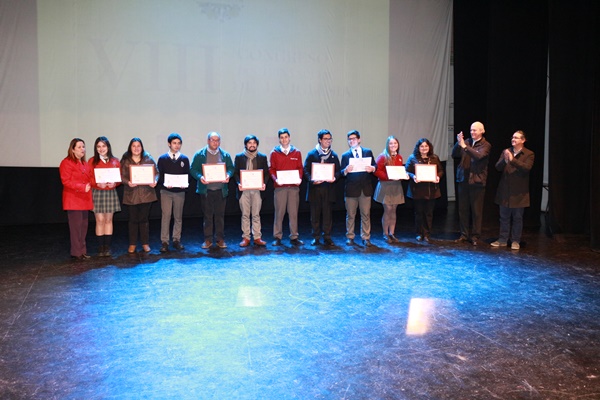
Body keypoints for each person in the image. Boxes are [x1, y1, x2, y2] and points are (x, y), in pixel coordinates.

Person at [491, 130, 535, 250]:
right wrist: (505, 160)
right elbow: (497, 167)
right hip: (505, 191)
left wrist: (512, 160)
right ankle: (502, 239)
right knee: (504, 217)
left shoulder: (529, 154)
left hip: (519, 193)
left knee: (517, 218)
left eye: (516, 138)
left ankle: (515, 240)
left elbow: (526, 168)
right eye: (512, 137)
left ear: (523, 140)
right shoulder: (506, 151)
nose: (513, 139)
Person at [190, 131, 234, 249]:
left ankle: (220, 239)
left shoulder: (225, 155)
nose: (215, 142)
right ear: (208, 141)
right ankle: (208, 239)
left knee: (220, 216)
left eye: (217, 140)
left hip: (221, 190)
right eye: (213, 140)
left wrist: (228, 175)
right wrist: (200, 177)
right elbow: (193, 169)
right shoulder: (200, 154)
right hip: (206, 191)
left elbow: (231, 168)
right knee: (207, 216)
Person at [452, 121, 492, 246]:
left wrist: (464, 146)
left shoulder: (486, 145)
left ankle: (475, 236)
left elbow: (478, 156)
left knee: (476, 211)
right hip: (463, 180)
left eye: (475, 130)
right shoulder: (467, 142)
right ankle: (463, 235)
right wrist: (458, 143)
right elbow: (454, 154)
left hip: (477, 182)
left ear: (482, 131)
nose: (472, 132)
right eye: (471, 130)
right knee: (463, 210)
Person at [120, 138, 158, 253]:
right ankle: (132, 244)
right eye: (134, 146)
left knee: (144, 220)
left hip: (146, 194)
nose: (136, 148)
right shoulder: (125, 160)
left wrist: (155, 180)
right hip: (131, 194)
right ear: (130, 147)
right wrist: (128, 182)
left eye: (138, 146)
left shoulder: (148, 158)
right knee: (132, 220)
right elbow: (121, 176)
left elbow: (157, 173)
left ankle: (145, 243)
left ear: (142, 147)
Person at [303, 129, 341, 246]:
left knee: (327, 215)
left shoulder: (334, 155)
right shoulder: (312, 154)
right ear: (320, 140)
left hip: (328, 189)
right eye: (326, 139)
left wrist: (334, 178)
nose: (328, 141)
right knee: (315, 215)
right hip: (315, 189)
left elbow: (338, 171)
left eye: (330, 139)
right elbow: (305, 170)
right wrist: (312, 180)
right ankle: (316, 237)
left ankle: (327, 236)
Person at [340, 130, 377, 247]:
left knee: (365, 214)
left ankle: (366, 237)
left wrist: (372, 169)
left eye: (354, 138)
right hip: (351, 190)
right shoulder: (345, 155)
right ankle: (350, 237)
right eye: (349, 139)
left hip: (365, 189)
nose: (352, 141)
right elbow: (341, 172)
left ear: (359, 139)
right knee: (350, 215)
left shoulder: (367, 152)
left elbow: (374, 165)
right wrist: (345, 170)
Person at [269, 128, 304, 246]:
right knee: (279, 213)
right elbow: (272, 169)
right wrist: (276, 179)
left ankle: (294, 236)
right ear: (279, 139)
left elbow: (300, 168)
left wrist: (299, 178)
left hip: (293, 188)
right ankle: (277, 237)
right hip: (280, 188)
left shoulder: (297, 152)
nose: (284, 139)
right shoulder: (274, 153)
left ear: (289, 138)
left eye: (286, 137)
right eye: (282, 137)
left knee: (293, 213)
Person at [59, 138, 93, 260]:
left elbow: (90, 178)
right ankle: (76, 252)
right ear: (72, 149)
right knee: (75, 227)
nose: (82, 149)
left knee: (83, 226)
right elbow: (66, 181)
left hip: (84, 199)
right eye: (79, 147)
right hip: (73, 199)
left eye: (83, 146)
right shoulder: (66, 162)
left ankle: (82, 251)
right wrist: (81, 187)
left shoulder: (85, 164)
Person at [233, 134, 269, 247]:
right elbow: (235, 173)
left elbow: (266, 173)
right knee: (245, 214)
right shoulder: (239, 157)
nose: (252, 145)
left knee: (256, 215)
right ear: (246, 144)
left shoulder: (262, 157)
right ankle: (246, 237)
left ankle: (257, 237)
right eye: (249, 143)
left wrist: (264, 183)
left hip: (257, 190)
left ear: (257, 144)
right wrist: (239, 183)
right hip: (244, 190)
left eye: (254, 143)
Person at [405, 138, 444, 242]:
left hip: (431, 191)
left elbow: (440, 170)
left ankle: (427, 234)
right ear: (418, 148)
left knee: (429, 213)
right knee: (419, 213)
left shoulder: (434, 157)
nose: (424, 148)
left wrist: (438, 176)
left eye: (426, 146)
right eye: (421, 146)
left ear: (429, 147)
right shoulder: (412, 158)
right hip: (417, 190)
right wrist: (413, 176)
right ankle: (419, 234)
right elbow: (407, 171)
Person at [88, 136, 121, 257]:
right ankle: (100, 247)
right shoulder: (92, 161)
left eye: (103, 146)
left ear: (108, 147)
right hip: (97, 192)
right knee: (100, 220)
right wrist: (97, 184)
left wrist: (115, 183)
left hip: (110, 192)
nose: (101, 149)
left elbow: (119, 179)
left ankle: (107, 247)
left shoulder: (115, 161)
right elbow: (88, 178)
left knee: (108, 220)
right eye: (98, 146)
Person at [157, 133, 190, 253]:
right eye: (174, 143)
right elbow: (159, 175)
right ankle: (164, 242)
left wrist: (185, 184)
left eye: (179, 143)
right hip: (166, 191)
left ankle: (176, 240)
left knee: (178, 217)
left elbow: (187, 175)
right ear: (169, 144)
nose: (177, 145)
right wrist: (165, 183)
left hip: (180, 192)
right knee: (166, 216)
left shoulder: (184, 159)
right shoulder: (162, 158)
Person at [373, 136, 405, 243]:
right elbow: (376, 171)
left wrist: (403, 175)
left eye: (395, 143)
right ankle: (385, 233)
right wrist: (388, 177)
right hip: (385, 186)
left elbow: (399, 170)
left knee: (394, 210)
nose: (393, 145)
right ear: (387, 145)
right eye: (391, 143)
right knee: (388, 209)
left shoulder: (399, 157)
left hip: (396, 186)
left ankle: (392, 233)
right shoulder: (382, 157)